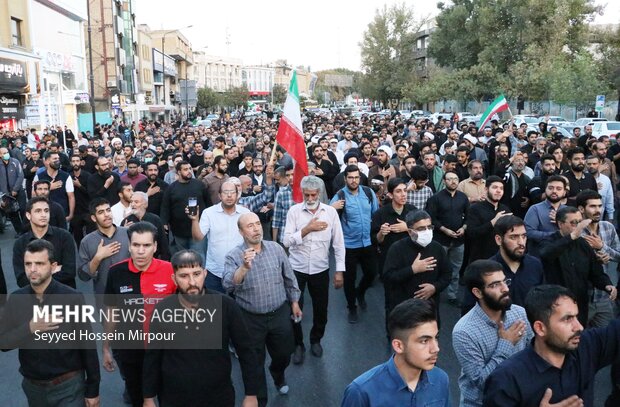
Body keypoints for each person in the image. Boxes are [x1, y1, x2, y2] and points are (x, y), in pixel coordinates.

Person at [142, 250, 260, 407]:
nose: (192, 282)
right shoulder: (163, 309)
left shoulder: (226, 305)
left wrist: (251, 394)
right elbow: (153, 355)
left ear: (205, 274)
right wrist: (148, 397)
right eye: (184, 276)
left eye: (196, 274)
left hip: (218, 396)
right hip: (174, 398)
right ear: (174, 279)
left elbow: (246, 350)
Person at [0, 239, 100, 407]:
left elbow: (87, 344)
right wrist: (30, 328)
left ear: (53, 267)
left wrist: (93, 389)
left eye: (39, 263)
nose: (32, 269)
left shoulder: (71, 297)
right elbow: (3, 342)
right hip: (33, 388)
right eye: (28, 264)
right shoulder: (17, 299)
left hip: (69, 386)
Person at [483, 285, 620, 406]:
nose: (579, 327)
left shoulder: (586, 347)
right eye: (567, 319)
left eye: (576, 317)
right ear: (540, 328)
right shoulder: (507, 379)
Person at [223, 212, 301, 407]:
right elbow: (228, 285)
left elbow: (289, 277)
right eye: (250, 226)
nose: (256, 228)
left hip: (279, 313)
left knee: (284, 353)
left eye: (257, 224)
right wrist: (244, 267)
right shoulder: (233, 255)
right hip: (249, 318)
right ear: (241, 231)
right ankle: (261, 400)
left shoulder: (276, 249)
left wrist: (294, 301)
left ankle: (277, 373)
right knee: (253, 362)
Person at [102, 222, 176, 407]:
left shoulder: (170, 270)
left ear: (155, 246)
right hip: (130, 350)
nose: (141, 251)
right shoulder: (116, 272)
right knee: (137, 397)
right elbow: (112, 312)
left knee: (170, 396)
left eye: (146, 245)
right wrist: (106, 348)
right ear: (129, 246)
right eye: (136, 245)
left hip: (165, 350)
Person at [341, 299, 450, 407]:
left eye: (436, 338)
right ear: (398, 346)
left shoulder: (440, 379)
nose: (436, 348)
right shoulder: (361, 392)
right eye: (424, 341)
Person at [283, 175, 345, 364]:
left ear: (319, 193)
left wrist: (339, 271)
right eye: (306, 195)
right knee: (294, 308)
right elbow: (286, 241)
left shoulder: (330, 213)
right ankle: (297, 344)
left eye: (313, 195)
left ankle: (316, 339)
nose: (309, 199)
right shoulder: (294, 212)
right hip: (297, 268)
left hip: (320, 269)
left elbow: (339, 243)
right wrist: (307, 229)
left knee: (321, 309)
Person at [453, 260, 532, 407]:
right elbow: (483, 383)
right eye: (495, 285)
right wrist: (506, 344)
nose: (504, 289)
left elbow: (534, 355)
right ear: (478, 292)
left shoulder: (519, 313)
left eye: (504, 281)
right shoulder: (464, 331)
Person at [539, 206, 616, 327]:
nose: (579, 227)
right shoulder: (549, 241)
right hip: (556, 304)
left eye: (580, 222)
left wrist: (607, 285)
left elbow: (595, 273)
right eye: (574, 223)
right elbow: (546, 254)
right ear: (560, 224)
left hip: (580, 303)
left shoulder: (583, 244)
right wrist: (572, 236)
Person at [330, 165, 379, 324]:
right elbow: (328, 217)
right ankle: (352, 307)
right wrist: (332, 208)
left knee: (371, 273)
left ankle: (361, 292)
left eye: (356, 177)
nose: (354, 180)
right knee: (349, 280)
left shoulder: (368, 192)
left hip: (367, 242)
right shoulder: (340, 196)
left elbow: (375, 214)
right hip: (349, 246)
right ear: (345, 179)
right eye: (350, 177)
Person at [382, 209, 451, 323]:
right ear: (410, 232)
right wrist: (413, 270)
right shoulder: (397, 248)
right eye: (421, 229)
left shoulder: (437, 248)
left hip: (429, 308)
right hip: (402, 308)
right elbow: (388, 277)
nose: (427, 231)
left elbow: (447, 274)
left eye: (429, 227)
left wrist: (435, 287)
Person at [187, 180, 250, 293]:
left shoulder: (245, 213)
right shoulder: (209, 213)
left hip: (239, 270)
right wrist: (194, 220)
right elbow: (198, 238)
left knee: (237, 307)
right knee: (216, 307)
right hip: (214, 272)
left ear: (237, 194)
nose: (229, 195)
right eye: (225, 192)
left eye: (232, 192)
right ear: (220, 195)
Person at [575, 190, 620, 328]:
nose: (598, 210)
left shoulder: (608, 227)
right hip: (581, 297)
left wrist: (603, 248)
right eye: (593, 206)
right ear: (581, 209)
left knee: (605, 342)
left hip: (603, 297)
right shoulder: (576, 232)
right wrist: (594, 259)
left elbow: (618, 255)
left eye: (600, 206)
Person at [425, 171, 469, 305]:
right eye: (450, 179)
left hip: (458, 240)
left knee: (455, 269)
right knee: (436, 268)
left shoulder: (463, 197)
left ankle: (452, 295)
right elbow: (431, 218)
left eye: (455, 179)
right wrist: (445, 230)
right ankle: (433, 292)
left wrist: (464, 228)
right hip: (440, 240)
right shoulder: (436, 198)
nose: (453, 181)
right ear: (444, 181)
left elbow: (468, 216)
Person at [13, 197, 76, 288]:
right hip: (35, 298)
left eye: (46, 211)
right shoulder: (20, 243)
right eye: (38, 211)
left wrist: (36, 276)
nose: (44, 215)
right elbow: (21, 280)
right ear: (28, 215)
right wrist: (51, 270)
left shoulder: (64, 236)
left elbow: (69, 272)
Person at [78, 198, 130, 296]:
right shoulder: (87, 241)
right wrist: (98, 258)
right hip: (103, 295)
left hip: (130, 292)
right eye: (101, 212)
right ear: (94, 218)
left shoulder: (128, 234)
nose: (106, 214)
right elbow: (83, 276)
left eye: (108, 210)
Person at [160, 160, 208, 254]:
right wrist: (164, 222)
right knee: (181, 258)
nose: (189, 171)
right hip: (179, 231)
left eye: (190, 168)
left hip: (198, 230)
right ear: (178, 172)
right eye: (185, 169)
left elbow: (208, 203)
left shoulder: (199, 185)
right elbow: (165, 206)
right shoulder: (171, 188)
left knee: (198, 257)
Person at [465, 176, 510, 265]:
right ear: (486, 190)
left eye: (501, 188)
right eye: (494, 187)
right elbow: (472, 233)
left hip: (501, 257)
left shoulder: (505, 209)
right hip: (480, 258)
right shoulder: (475, 209)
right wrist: (493, 222)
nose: (498, 191)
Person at [122, 191, 170, 261]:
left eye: (136, 202)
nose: (132, 204)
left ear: (145, 204)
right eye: (131, 202)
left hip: (154, 260)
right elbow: (122, 244)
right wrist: (124, 230)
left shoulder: (155, 219)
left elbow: (163, 243)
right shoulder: (126, 221)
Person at [33, 150, 75, 223]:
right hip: (44, 215)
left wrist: (70, 215)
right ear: (47, 161)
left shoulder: (66, 176)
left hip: (62, 215)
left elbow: (71, 197)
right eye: (55, 159)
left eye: (58, 159)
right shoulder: (39, 176)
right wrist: (49, 188)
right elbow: (33, 195)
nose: (58, 161)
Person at [0, 145, 26, 233]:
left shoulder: (15, 162)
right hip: (6, 194)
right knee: (11, 213)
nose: (6, 154)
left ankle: (27, 229)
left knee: (23, 209)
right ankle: (19, 231)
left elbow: (20, 175)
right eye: (3, 153)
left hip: (18, 191)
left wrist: (15, 189)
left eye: (6, 152)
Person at [69, 153, 92, 244]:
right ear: (71, 163)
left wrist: (79, 186)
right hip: (75, 211)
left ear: (81, 162)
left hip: (87, 209)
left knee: (91, 234)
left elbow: (90, 193)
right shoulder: (68, 176)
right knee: (77, 236)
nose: (75, 163)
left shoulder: (87, 176)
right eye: (73, 161)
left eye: (77, 161)